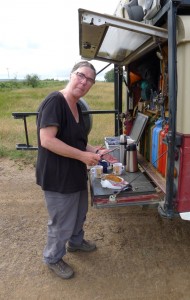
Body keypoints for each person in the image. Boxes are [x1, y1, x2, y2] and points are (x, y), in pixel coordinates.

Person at [36, 61, 107, 279]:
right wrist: (83, 156)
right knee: (61, 223)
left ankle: (76, 243)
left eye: (90, 80)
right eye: (81, 76)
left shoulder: (76, 106)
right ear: (71, 75)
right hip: (58, 176)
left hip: (74, 173)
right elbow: (47, 140)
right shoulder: (55, 101)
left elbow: (76, 141)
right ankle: (53, 257)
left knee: (78, 215)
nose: (84, 82)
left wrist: (93, 149)